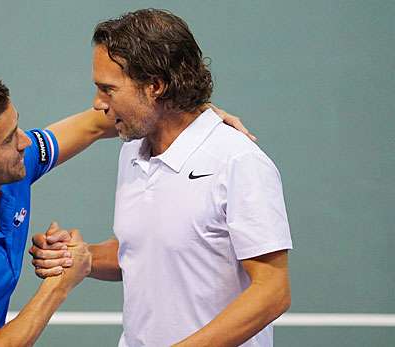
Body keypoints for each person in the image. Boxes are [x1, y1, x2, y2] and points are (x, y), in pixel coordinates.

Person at [0, 71, 250, 346]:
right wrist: (60, 283)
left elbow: (95, 125)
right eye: (8, 139)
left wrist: (190, 115)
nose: (25, 143)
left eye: (17, 126)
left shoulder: (5, 170)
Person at [30, 9, 292, 347]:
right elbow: (144, 252)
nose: (98, 104)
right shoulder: (133, 150)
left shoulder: (239, 161)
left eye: (108, 89)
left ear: (155, 85)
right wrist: (84, 256)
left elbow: (272, 292)